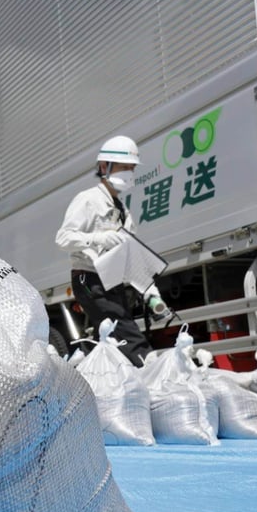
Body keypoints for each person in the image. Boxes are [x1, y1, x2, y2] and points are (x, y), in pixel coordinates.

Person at [55, 135, 170, 367]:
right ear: (103, 167)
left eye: (132, 168)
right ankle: (149, 368)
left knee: (112, 340)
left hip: (113, 282)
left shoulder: (124, 212)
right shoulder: (88, 200)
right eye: (123, 167)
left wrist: (152, 294)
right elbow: (63, 238)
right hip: (89, 279)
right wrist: (100, 238)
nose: (128, 173)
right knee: (125, 331)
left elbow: (132, 256)